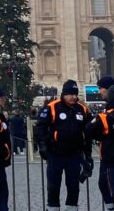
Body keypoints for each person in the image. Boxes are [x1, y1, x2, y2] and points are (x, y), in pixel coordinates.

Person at [34, 79, 92, 211]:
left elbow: (88, 133)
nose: (73, 97)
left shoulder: (82, 109)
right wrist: (42, 146)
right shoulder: (52, 107)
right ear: (64, 94)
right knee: (53, 186)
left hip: (74, 154)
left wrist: (88, 155)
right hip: (55, 153)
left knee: (73, 186)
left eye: (75, 94)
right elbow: (40, 128)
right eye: (70, 94)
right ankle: (53, 208)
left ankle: (71, 208)